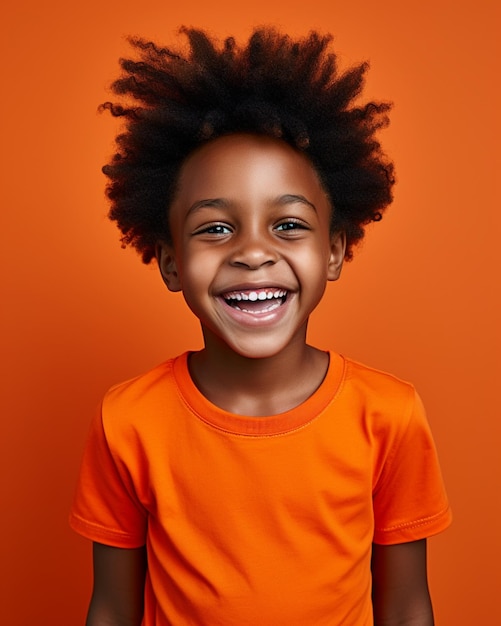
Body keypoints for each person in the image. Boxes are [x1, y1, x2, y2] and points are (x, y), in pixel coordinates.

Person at [70, 27, 451, 626]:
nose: (252, 252)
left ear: (334, 251)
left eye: (289, 226)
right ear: (170, 261)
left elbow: (405, 606)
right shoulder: (128, 420)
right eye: (216, 228)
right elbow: (112, 608)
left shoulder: (390, 415)